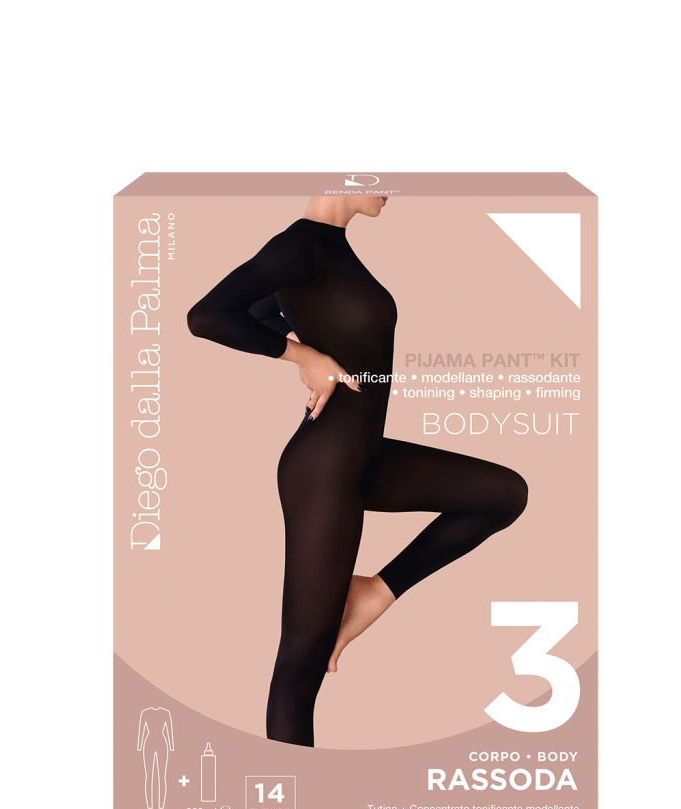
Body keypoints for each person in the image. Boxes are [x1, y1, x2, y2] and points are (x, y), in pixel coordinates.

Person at [187, 197, 528, 746]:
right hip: (323, 469)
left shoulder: (331, 252)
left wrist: (301, 346)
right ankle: (294, 798)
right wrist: (303, 358)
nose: (395, 189)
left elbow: (259, 314)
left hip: (363, 457)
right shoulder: (299, 245)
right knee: (301, 666)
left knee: (503, 494)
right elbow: (206, 316)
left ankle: (374, 591)